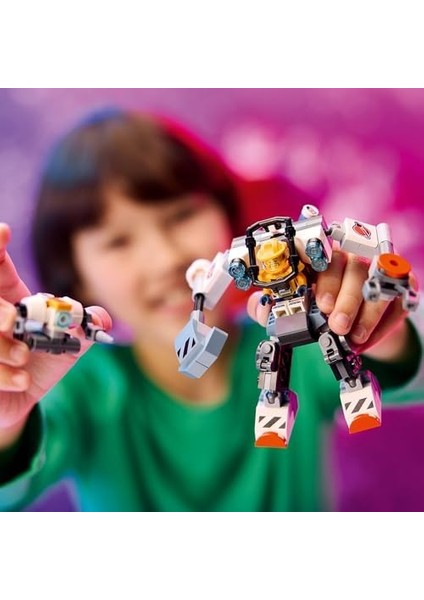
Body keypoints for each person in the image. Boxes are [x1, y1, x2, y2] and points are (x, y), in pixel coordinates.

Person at [0, 108, 422, 511]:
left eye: (182, 215)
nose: (166, 259)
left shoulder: (308, 352)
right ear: (75, 276)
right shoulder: (83, 392)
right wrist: (8, 415)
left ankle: (351, 396)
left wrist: (379, 322)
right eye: (118, 242)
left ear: (228, 218)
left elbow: (401, 350)